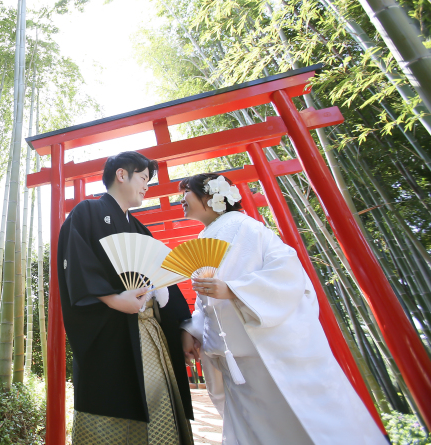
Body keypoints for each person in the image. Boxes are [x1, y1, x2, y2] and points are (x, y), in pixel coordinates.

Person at [179, 173, 385, 445]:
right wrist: (192, 330)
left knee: (297, 424)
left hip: (268, 351)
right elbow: (208, 303)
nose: (181, 199)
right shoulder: (204, 238)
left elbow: (288, 271)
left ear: (209, 197)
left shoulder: (249, 228)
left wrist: (233, 290)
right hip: (234, 360)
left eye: (186, 193)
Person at [58, 151, 194, 445]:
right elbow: (76, 263)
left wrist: (184, 325)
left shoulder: (140, 228)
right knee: (113, 407)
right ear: (122, 174)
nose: (147, 186)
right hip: (110, 333)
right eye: (143, 178)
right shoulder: (86, 212)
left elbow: (165, 280)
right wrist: (112, 298)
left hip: (149, 331)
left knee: (159, 404)